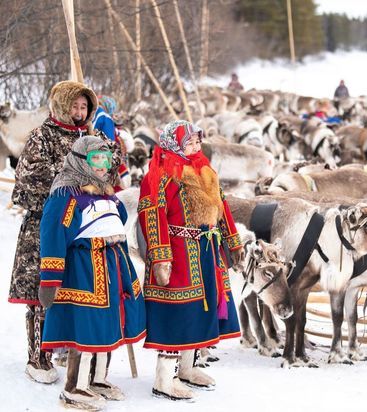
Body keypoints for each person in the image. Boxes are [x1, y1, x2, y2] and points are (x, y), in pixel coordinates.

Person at [8, 80, 121, 384]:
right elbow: (30, 174)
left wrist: (107, 150)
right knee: (42, 289)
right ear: (61, 105)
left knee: (77, 286)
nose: (79, 111)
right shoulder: (42, 136)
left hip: (83, 225)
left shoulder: (90, 136)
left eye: (84, 106)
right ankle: (39, 355)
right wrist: (73, 178)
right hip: (47, 222)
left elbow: (111, 165)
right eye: (74, 105)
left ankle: (68, 347)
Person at [38, 135, 146, 409]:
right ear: (80, 160)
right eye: (95, 159)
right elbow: (53, 234)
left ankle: (98, 379)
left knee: (109, 324)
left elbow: (119, 217)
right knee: (87, 327)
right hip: (85, 269)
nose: (102, 165)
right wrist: (50, 278)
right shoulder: (66, 194)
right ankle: (75, 387)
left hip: (112, 264)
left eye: (106, 159)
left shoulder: (104, 191)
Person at [138, 120, 243, 401]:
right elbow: (152, 215)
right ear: (174, 144)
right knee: (178, 311)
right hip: (178, 252)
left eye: (197, 142)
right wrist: (161, 256)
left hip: (206, 251)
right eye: (189, 143)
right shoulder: (160, 174)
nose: (195, 147)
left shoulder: (205, 170)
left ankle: (188, 367)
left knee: (201, 308)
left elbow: (222, 207)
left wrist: (232, 240)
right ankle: (164, 377)